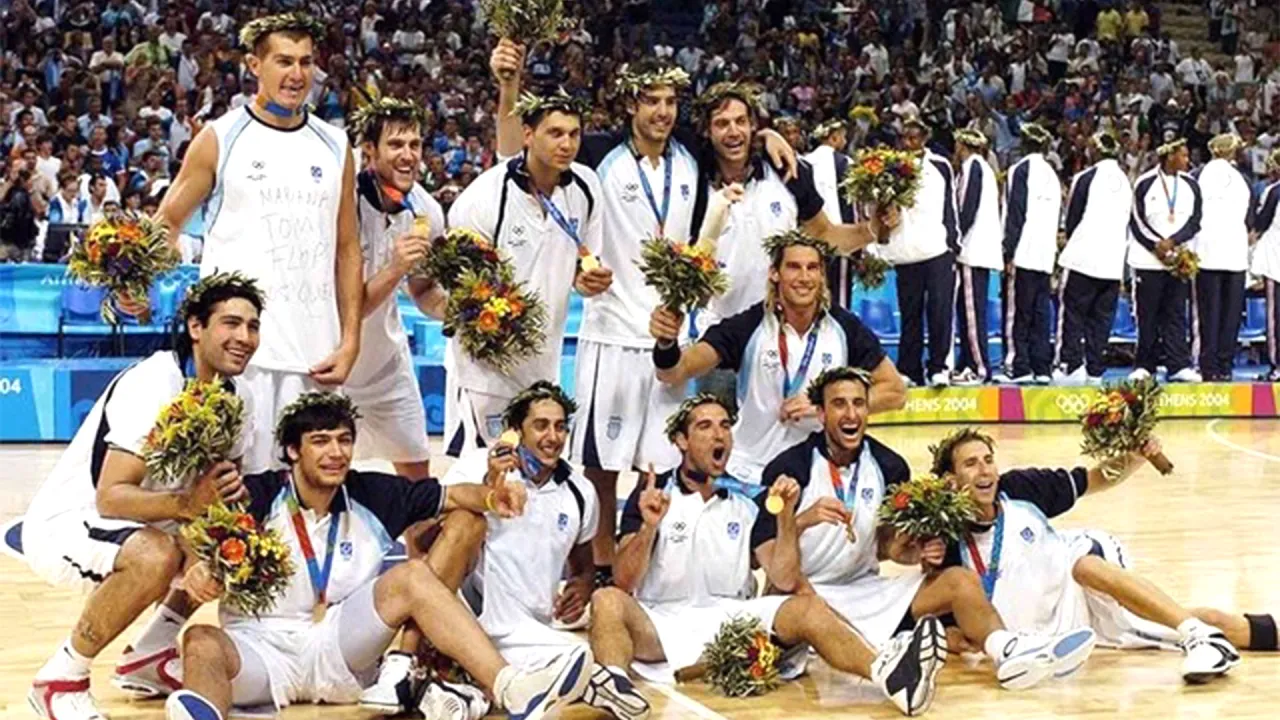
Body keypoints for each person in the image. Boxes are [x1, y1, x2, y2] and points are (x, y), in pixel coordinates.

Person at [163, 392, 593, 720]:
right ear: (293, 451)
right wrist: (196, 566)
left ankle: (509, 686)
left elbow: (453, 495)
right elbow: (194, 531)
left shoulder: (372, 491)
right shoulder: (258, 494)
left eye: (344, 440)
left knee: (412, 574)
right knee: (200, 642)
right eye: (320, 442)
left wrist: (492, 495)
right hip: (260, 650)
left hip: (341, 648)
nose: (336, 453)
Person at [590, 393, 947, 716]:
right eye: (705, 427)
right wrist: (650, 526)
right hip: (663, 625)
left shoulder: (752, 499)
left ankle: (890, 675)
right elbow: (624, 580)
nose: (719, 436)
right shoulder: (653, 494)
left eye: (725, 426)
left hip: (734, 623)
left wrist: (789, 518)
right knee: (605, 599)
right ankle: (615, 685)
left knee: (807, 606)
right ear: (680, 441)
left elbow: (783, 577)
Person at [757, 367, 1098, 692]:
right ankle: (903, 656)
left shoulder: (889, 466)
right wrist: (799, 519)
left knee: (959, 580)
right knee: (803, 607)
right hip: (804, 596)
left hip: (866, 589)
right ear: (821, 413)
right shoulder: (789, 468)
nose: (851, 414)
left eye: (858, 403)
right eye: (839, 404)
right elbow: (781, 577)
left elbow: (886, 546)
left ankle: (1008, 651)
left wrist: (913, 551)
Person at [24, 273, 265, 720]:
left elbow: (216, 497)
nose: (244, 337)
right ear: (196, 327)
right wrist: (190, 509)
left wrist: (212, 544)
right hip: (73, 520)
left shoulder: (242, 395)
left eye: (252, 327)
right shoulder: (155, 382)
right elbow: (111, 498)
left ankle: (149, 656)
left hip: (151, 520)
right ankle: (59, 680)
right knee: (156, 555)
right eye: (231, 323)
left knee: (237, 542)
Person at [155, 12, 364, 472]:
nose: (296, 75)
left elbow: (348, 249)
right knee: (227, 491)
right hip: (237, 355)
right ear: (254, 65)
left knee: (309, 497)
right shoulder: (220, 137)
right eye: (283, 61)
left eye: (306, 62)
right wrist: (136, 282)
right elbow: (166, 222)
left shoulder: (335, 145)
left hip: (316, 354)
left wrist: (351, 341)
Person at [930, 427, 1278, 681]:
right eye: (971, 464)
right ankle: (1227, 633)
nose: (985, 470)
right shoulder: (941, 539)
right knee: (1213, 620)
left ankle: (1196, 635)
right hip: (1048, 629)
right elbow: (949, 631)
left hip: (1076, 585)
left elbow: (1095, 479)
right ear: (949, 479)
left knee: (1083, 564)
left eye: (988, 460)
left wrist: (1135, 458)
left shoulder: (1021, 488)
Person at [440, 382, 638, 718]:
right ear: (516, 431)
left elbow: (583, 566)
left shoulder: (581, 491)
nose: (553, 436)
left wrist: (583, 586)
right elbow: (428, 539)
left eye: (560, 427)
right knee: (576, 665)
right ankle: (591, 688)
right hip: (472, 621)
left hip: (532, 631)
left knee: (577, 657)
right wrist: (489, 487)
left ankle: (480, 696)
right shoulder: (474, 467)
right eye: (541, 425)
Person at [649, 232, 906, 484]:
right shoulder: (748, 326)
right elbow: (674, 372)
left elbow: (895, 392)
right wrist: (666, 342)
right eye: (794, 267)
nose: (804, 277)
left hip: (818, 478)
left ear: (822, 276)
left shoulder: (846, 329)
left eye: (812, 268)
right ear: (774, 273)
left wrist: (826, 407)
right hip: (750, 473)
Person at [444, 90, 610, 456]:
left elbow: (583, 268)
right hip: (483, 371)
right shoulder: (485, 196)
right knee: (482, 477)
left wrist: (589, 281)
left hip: (542, 364)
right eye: (555, 133)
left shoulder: (587, 188)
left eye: (574, 133)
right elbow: (459, 289)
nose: (566, 143)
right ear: (528, 135)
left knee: (537, 479)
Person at [345, 97, 447, 481]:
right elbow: (346, 307)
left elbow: (422, 291)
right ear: (369, 151)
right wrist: (395, 267)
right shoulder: (343, 204)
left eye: (415, 145)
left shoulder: (427, 211)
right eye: (395, 145)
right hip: (329, 364)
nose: (408, 156)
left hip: (385, 366)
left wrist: (463, 311)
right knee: (317, 479)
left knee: (418, 484)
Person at [882, 117, 959, 388]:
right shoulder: (892, 168)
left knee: (939, 311)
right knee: (910, 313)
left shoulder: (941, 165)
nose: (909, 143)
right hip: (906, 251)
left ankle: (939, 367)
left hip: (937, 249)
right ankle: (909, 369)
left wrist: (953, 243)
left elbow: (950, 205)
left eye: (914, 137)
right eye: (905, 138)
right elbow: (884, 207)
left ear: (925, 138)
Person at [1055, 132, 1132, 386]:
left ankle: (1070, 366)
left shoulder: (1085, 177)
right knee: (1101, 320)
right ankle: (1094, 371)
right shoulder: (1125, 181)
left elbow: (1073, 217)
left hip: (1083, 258)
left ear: (1096, 152)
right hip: (1112, 262)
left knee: (1073, 314)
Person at [1128, 138, 1204, 382]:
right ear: (1169, 156)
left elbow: (1195, 220)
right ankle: (1144, 366)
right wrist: (1155, 245)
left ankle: (1177, 365)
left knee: (1175, 313)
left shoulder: (1192, 184)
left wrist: (1173, 242)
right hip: (1147, 260)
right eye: (1183, 155)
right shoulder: (1144, 182)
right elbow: (1137, 220)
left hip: (1178, 260)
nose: (1187, 159)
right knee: (1146, 314)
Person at [999, 123, 1062, 385]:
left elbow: (1016, 213)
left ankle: (1018, 365)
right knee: (1040, 312)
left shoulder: (1019, 170)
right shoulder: (1052, 174)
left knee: (1018, 312)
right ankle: (1042, 368)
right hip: (1045, 253)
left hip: (1023, 252)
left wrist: (1008, 251)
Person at [1190, 133, 1251, 382]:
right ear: (1233, 152)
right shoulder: (1243, 180)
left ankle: (1207, 366)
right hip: (1235, 253)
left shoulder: (1197, 177)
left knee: (1208, 314)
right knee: (1231, 315)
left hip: (1206, 253)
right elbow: (1250, 218)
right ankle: (1225, 367)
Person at [952, 128, 1002, 385]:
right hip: (977, 250)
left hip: (972, 251)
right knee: (967, 310)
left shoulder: (973, 167)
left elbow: (966, 207)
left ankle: (980, 369)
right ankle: (966, 362)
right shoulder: (984, 168)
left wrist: (955, 242)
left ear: (963, 145)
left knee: (972, 313)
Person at [803, 119, 860, 309]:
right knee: (839, 302)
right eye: (843, 137)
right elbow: (850, 205)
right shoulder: (844, 163)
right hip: (838, 238)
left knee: (810, 296)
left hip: (807, 240)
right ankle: (839, 337)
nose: (844, 142)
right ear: (834, 138)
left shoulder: (803, 163)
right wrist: (857, 247)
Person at [1252, 150, 1280, 381]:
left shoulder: (1274, 191)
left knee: (1276, 317)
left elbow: (1260, 222)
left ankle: (1277, 366)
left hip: (1276, 263)